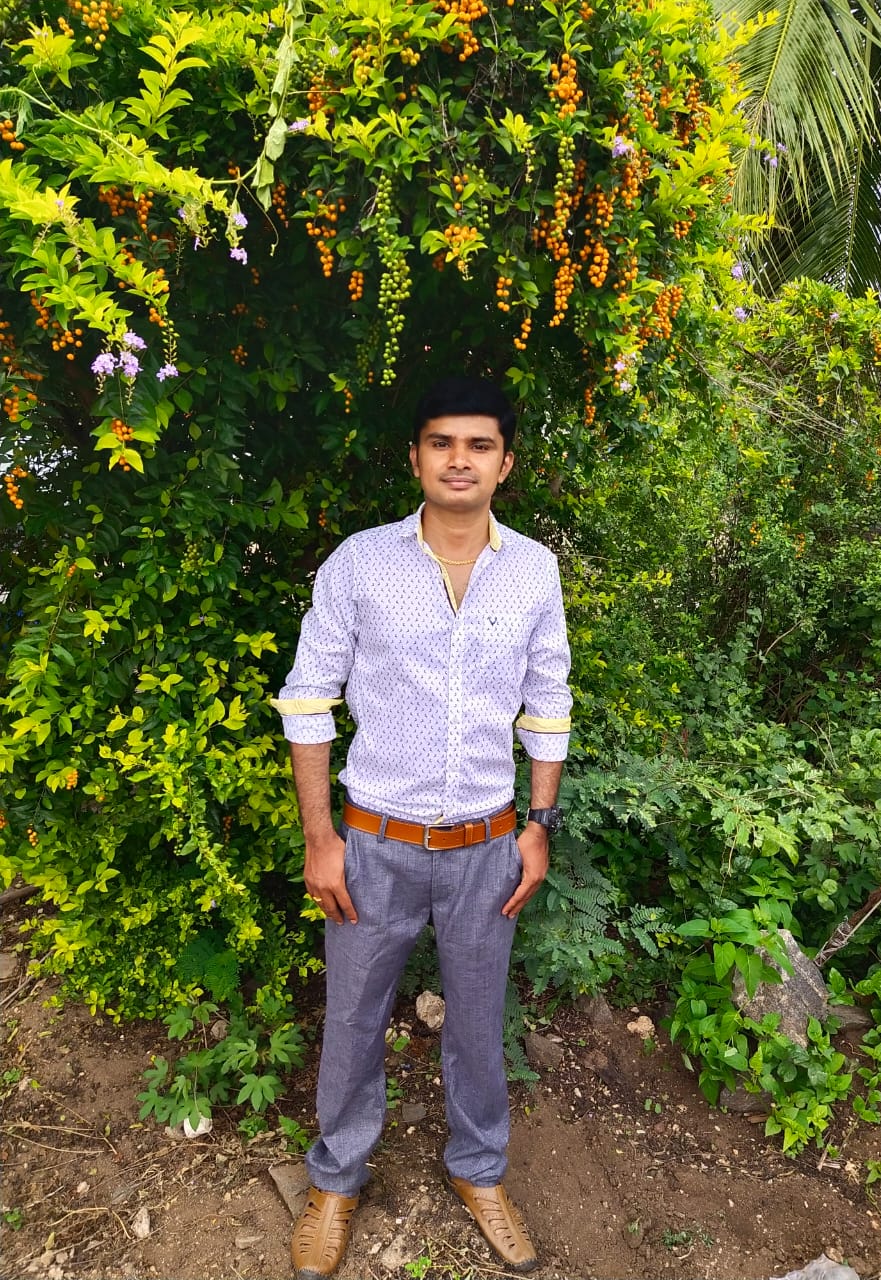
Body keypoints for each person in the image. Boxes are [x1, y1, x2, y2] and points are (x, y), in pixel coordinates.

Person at [270, 376, 572, 1277]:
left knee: (478, 1022)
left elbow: (548, 700)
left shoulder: (534, 571)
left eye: (480, 445)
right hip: (373, 844)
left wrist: (539, 822)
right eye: (442, 442)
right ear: (415, 457)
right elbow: (308, 701)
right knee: (353, 1020)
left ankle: (479, 1170)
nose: (459, 460)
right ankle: (335, 1181)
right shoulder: (361, 563)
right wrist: (321, 840)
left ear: (505, 464)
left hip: (487, 847)